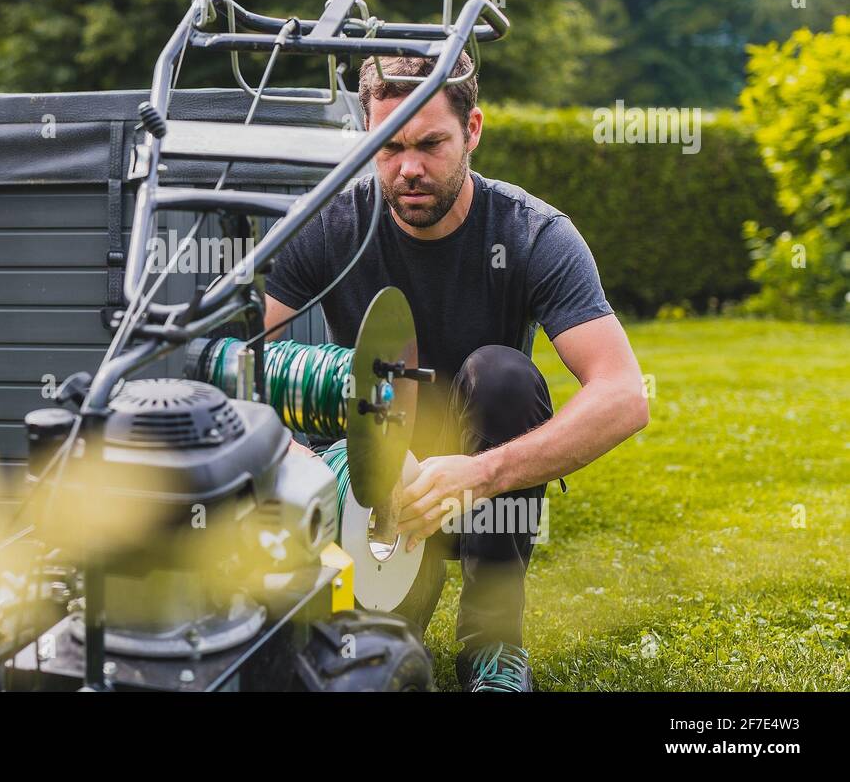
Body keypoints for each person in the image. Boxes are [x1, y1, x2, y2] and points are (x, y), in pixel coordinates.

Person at [264, 52, 649, 691]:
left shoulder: (531, 233)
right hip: (371, 486)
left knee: (504, 376)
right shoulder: (328, 224)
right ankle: (394, 599)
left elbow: (624, 394)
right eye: (390, 146)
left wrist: (477, 474)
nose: (409, 168)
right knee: (373, 657)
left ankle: (494, 641)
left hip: (482, 487)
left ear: (472, 130)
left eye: (432, 144)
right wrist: (309, 461)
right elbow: (235, 361)